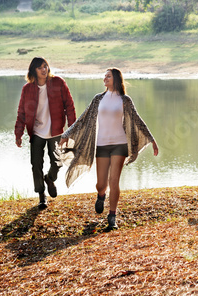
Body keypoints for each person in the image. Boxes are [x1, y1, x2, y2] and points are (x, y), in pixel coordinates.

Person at [58, 68, 158, 232]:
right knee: (101, 183)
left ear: (116, 79)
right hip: (102, 144)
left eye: (108, 76)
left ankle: (112, 216)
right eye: (104, 76)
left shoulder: (125, 100)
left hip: (119, 144)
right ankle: (101, 195)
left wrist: (151, 139)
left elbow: (137, 120)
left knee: (114, 181)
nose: (105, 78)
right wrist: (67, 133)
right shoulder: (98, 99)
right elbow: (84, 117)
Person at [14, 57, 77, 210]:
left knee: (57, 162)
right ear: (33, 71)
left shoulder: (58, 83)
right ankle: (41, 196)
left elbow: (69, 106)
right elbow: (21, 112)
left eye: (46, 66)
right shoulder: (27, 89)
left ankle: (49, 179)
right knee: (36, 165)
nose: (44, 70)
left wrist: (71, 129)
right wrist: (18, 134)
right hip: (36, 133)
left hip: (55, 131)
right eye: (40, 68)